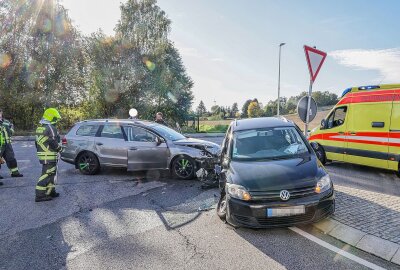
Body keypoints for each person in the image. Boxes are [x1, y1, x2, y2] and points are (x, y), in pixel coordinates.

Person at [35, 108, 62, 202]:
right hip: (49, 155)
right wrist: (60, 149)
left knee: (51, 173)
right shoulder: (51, 127)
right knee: (46, 174)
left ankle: (50, 191)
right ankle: (40, 195)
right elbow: (53, 141)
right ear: (52, 117)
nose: (57, 121)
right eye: (56, 119)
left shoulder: (40, 127)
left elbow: (37, 143)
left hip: (43, 155)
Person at [0, 109, 23, 178]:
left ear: (1, 113)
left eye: (0, 112)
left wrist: (10, 131)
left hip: (7, 144)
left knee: (11, 159)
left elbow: (11, 129)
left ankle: (15, 173)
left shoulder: (6, 122)